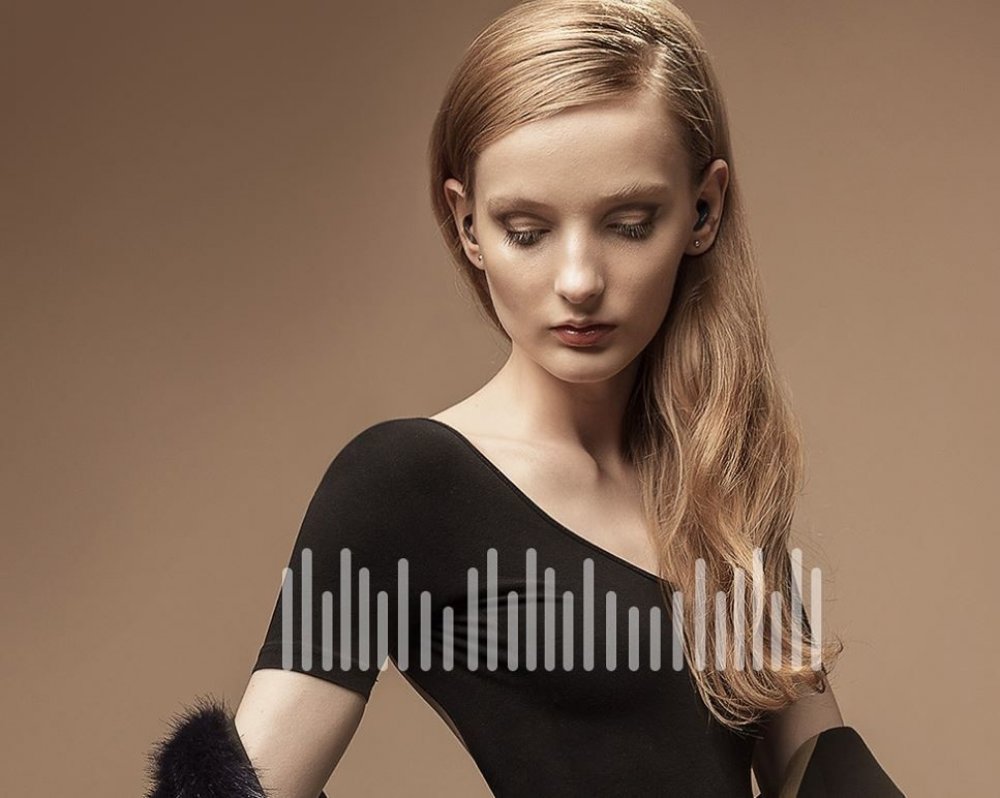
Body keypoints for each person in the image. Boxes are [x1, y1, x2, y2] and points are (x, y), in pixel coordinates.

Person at [143, 1, 905, 796]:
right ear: (469, 226)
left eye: (629, 224)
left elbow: (812, 762)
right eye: (527, 230)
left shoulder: (716, 479)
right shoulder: (403, 483)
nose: (578, 281)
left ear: (703, 211)